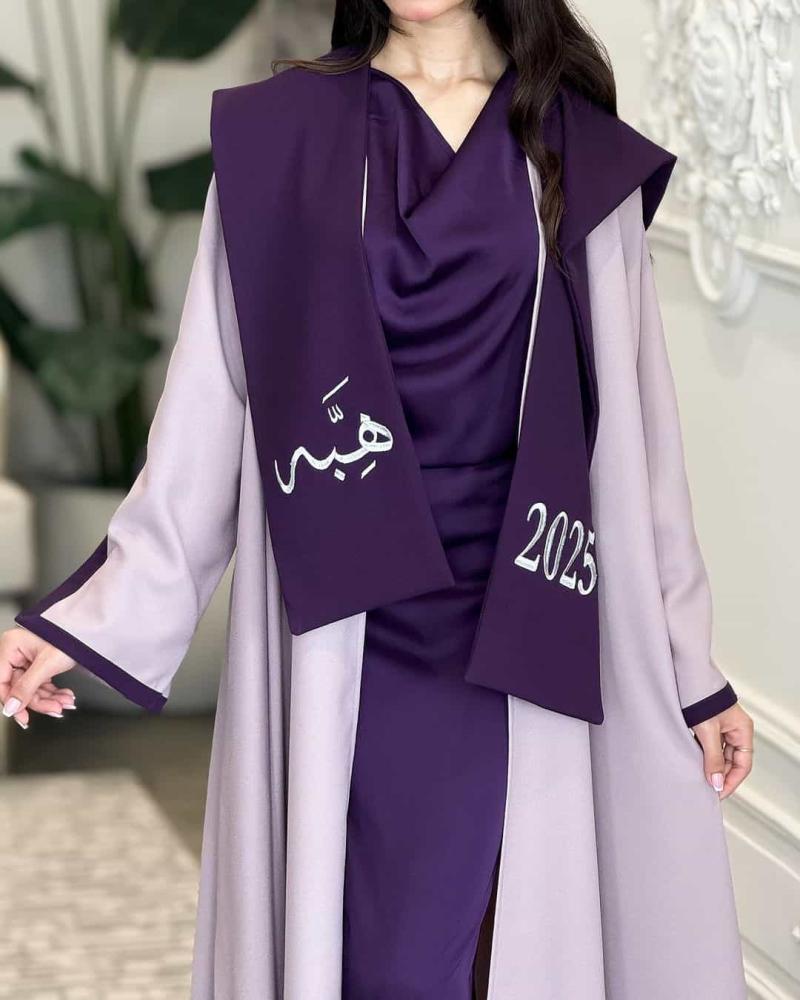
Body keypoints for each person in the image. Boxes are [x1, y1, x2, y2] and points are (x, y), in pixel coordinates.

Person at [1, 2, 754, 998]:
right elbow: (210, 408)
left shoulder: (571, 147)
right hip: (346, 613)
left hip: (514, 611)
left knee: (474, 942)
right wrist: (84, 619)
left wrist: (689, 669)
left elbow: (636, 439)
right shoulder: (284, 136)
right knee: (371, 947)